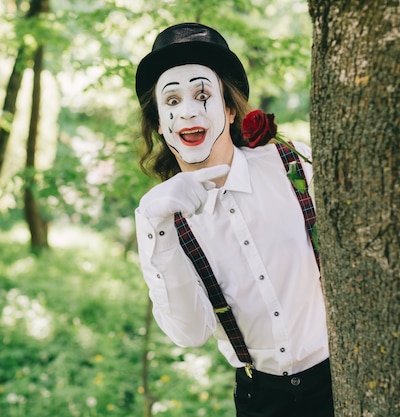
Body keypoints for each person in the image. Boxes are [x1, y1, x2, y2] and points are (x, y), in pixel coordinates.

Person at [133, 22, 334, 417]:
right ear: (160, 123)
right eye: (171, 101)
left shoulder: (290, 165)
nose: (188, 110)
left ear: (228, 108)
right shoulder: (158, 216)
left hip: (338, 378)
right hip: (260, 399)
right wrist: (161, 225)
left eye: (202, 94)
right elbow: (190, 334)